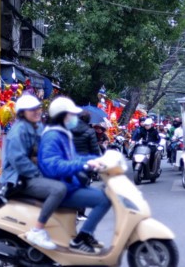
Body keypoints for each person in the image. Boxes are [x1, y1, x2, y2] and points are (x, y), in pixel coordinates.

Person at [38, 97, 112, 255]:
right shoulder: (53, 136)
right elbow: (54, 166)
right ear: (62, 116)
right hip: (61, 186)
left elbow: (73, 157)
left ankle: (86, 235)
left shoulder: (63, 134)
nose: (74, 119)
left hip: (69, 183)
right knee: (104, 200)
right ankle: (81, 238)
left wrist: (93, 160)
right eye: (71, 115)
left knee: (106, 195)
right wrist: (84, 164)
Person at [0, 94, 67, 250]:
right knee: (59, 190)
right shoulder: (19, 131)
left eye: (38, 108)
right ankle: (37, 230)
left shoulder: (38, 126)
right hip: (19, 177)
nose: (36, 112)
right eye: (32, 110)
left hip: (31, 173)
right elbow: (19, 161)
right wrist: (39, 174)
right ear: (22, 113)